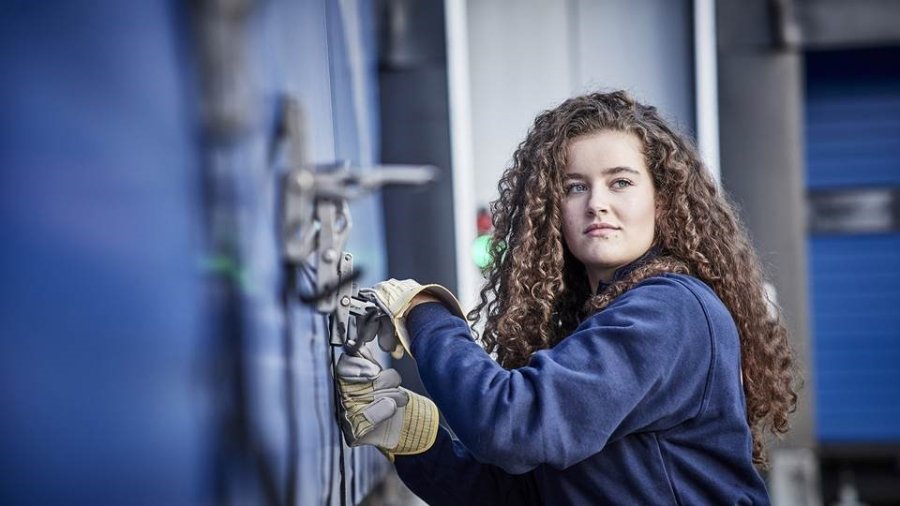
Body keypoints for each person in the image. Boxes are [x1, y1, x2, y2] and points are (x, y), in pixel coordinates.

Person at [335, 90, 798, 504]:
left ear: (663, 200)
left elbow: (512, 426)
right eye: (575, 186)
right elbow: (520, 496)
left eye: (621, 182)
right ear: (551, 209)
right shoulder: (593, 321)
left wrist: (425, 313)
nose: (597, 202)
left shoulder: (670, 312)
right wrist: (415, 438)